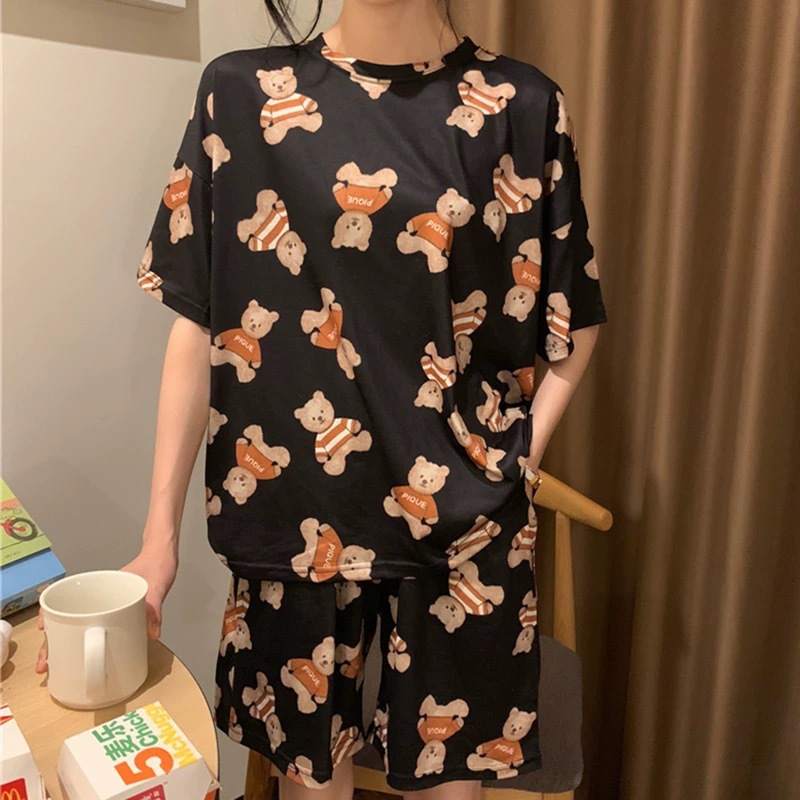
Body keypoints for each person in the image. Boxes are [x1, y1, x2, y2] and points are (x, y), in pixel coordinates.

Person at [38, 1, 608, 797]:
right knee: (309, 780)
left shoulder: (522, 106)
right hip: (294, 513)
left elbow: (575, 321)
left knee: (452, 784)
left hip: (465, 526)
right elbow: (197, 323)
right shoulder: (242, 95)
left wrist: (517, 462)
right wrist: (157, 544)